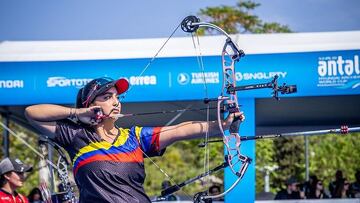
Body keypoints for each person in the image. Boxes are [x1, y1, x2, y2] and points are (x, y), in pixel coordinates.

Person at [25, 77, 244, 203]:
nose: (116, 102)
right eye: (107, 97)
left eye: (117, 97)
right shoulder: (75, 136)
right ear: (91, 104)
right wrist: (76, 113)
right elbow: (32, 112)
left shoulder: (134, 137)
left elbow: (180, 130)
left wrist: (222, 125)